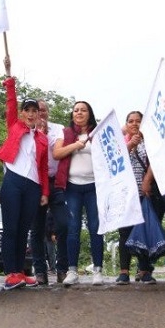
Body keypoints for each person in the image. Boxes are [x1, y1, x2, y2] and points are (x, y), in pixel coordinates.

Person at [0, 55, 48, 290]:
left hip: (33, 186)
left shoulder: (42, 138)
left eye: (34, 111)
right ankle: (11, 273)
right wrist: (9, 76)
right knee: (11, 228)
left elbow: (43, 167)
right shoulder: (14, 126)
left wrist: (45, 192)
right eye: (27, 110)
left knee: (24, 230)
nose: (30, 114)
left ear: (38, 115)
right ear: (22, 113)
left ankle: (21, 272)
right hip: (13, 182)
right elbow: (10, 102)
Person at [53, 99, 101, 286]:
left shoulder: (97, 133)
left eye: (83, 110)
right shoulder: (65, 133)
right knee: (72, 228)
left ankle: (97, 270)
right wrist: (75, 145)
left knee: (95, 227)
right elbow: (57, 153)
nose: (79, 113)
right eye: (76, 110)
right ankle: (72, 270)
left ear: (90, 114)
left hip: (94, 187)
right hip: (72, 187)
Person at [116, 111, 157, 285]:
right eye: (131, 121)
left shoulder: (150, 141)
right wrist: (130, 145)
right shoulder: (119, 141)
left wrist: (147, 180)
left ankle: (145, 270)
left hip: (144, 193)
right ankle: (124, 271)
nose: (134, 124)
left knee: (144, 231)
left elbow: (155, 162)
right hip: (125, 193)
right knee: (124, 232)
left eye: (138, 121)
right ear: (126, 124)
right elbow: (115, 160)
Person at [32, 99, 64, 285]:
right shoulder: (27, 131)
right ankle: (40, 271)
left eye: (43, 110)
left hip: (56, 182)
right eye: (37, 110)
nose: (40, 113)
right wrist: (37, 134)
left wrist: (44, 134)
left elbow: (57, 151)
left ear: (48, 112)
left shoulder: (58, 129)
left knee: (63, 225)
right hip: (36, 182)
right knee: (37, 229)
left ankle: (62, 269)